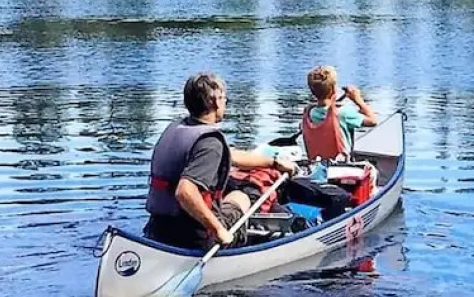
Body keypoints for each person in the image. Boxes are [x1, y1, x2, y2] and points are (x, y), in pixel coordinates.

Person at [145, 72, 299, 251]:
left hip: (158, 229)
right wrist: (218, 230)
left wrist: (274, 162)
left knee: (230, 186)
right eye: (225, 98)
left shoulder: (178, 128)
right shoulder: (210, 143)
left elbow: (231, 156)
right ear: (215, 101)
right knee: (246, 192)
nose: (225, 103)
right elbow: (184, 192)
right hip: (195, 236)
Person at [301, 65, 378, 161]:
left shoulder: (310, 114)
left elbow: (326, 108)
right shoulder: (343, 113)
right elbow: (373, 120)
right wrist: (358, 100)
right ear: (334, 89)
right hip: (342, 167)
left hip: (317, 164)